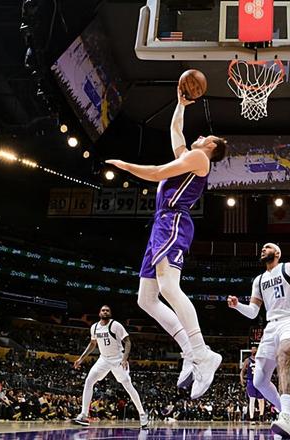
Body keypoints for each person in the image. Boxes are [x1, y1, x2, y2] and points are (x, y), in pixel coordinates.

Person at [106, 86, 227, 399]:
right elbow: (176, 130)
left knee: (169, 287)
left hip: (173, 221)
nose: (201, 136)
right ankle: (190, 350)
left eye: (206, 137)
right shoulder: (190, 157)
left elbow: (159, 172)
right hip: (162, 223)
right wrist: (180, 104)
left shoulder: (200, 158)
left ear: (211, 146)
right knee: (146, 299)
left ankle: (202, 353)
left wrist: (126, 166)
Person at [227, 243, 290, 439]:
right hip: (271, 326)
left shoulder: (289, 268)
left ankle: (286, 416)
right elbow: (253, 312)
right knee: (259, 380)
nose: (263, 249)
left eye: (267, 247)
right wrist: (238, 306)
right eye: (262, 248)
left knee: (283, 357)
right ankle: (285, 409)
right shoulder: (259, 280)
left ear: (277, 253)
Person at [72, 305, 148, 429]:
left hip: (118, 358)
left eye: (107, 310)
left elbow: (128, 341)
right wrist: (81, 358)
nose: (105, 312)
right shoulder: (94, 327)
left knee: (127, 385)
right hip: (104, 359)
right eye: (103, 310)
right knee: (89, 380)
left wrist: (124, 359)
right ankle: (84, 414)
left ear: (110, 313)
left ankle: (142, 414)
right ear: (99, 313)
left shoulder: (115, 325)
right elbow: (92, 344)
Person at [240, 346, 265, 423]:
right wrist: (241, 379)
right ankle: (252, 417)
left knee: (261, 399)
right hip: (251, 380)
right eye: (252, 349)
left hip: (260, 381)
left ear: (257, 350)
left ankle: (261, 416)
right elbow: (242, 371)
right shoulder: (247, 360)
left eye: (255, 349)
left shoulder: (261, 360)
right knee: (252, 399)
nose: (253, 350)